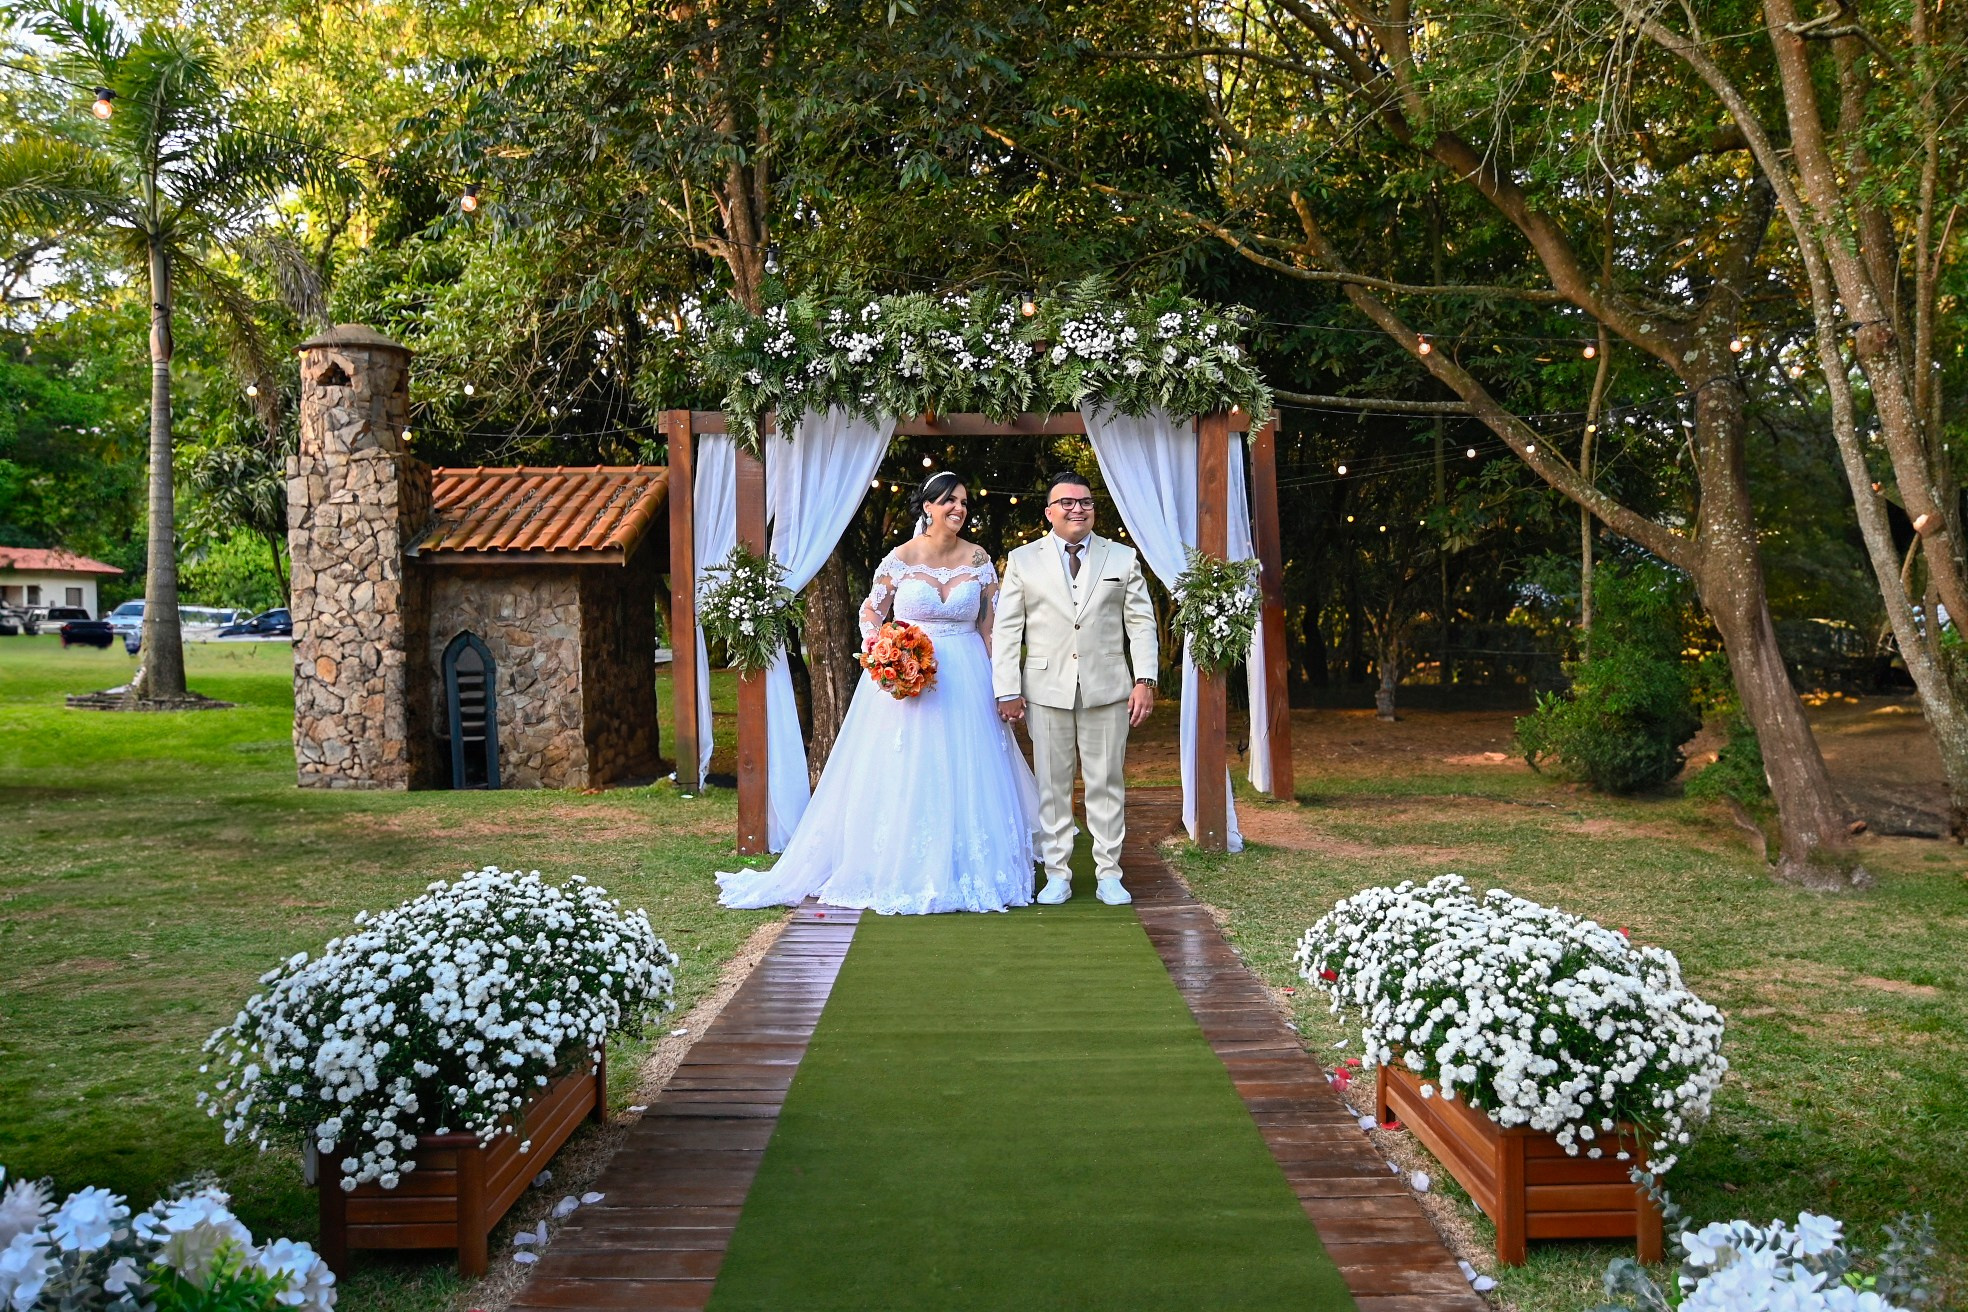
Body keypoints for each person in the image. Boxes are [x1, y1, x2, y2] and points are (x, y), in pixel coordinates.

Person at [716, 470, 1041, 914]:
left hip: (968, 676)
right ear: (928, 506)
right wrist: (885, 651)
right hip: (910, 679)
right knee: (910, 767)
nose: (959, 509)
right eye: (950, 500)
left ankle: (969, 865)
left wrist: (1004, 686)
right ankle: (903, 863)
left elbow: (992, 627)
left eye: (964, 502)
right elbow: (872, 613)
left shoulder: (979, 559)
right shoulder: (899, 558)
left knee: (970, 768)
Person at [992, 470, 1158, 905]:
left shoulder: (1121, 557)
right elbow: (1007, 630)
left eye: (1084, 501)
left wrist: (1145, 679)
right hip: (1046, 689)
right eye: (1066, 502)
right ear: (1049, 512)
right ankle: (1057, 874)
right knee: (1052, 787)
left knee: (1107, 783)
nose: (1077, 509)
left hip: (1108, 688)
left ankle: (1109, 874)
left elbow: (1141, 624)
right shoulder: (1023, 560)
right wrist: (1007, 687)